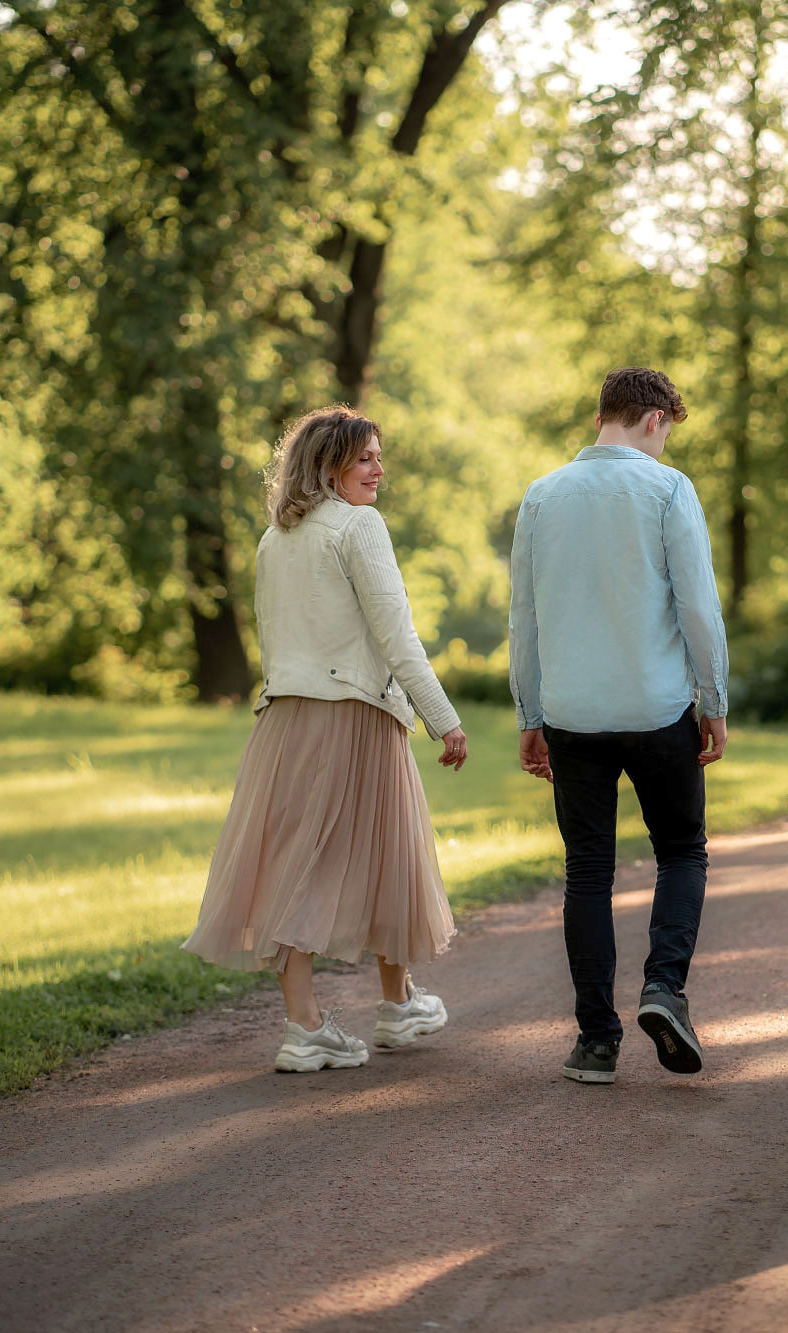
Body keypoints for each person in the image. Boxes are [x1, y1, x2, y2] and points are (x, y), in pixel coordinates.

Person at [182, 406, 468, 1074]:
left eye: (377, 456)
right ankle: (358, 1016)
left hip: (285, 717)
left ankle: (333, 1016)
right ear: (328, 464)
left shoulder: (274, 538)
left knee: (299, 858)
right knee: (381, 850)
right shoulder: (359, 526)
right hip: (354, 713)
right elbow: (397, 635)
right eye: (365, 457)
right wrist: (443, 718)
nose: (379, 469)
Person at [508, 367, 729, 1085]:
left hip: (572, 716)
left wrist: (529, 713)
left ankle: (597, 1042)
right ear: (656, 420)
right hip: (657, 707)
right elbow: (697, 605)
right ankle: (664, 988)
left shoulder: (541, 496)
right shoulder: (667, 488)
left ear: (604, 414)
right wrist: (713, 698)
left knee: (588, 873)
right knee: (682, 852)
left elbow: (525, 619)